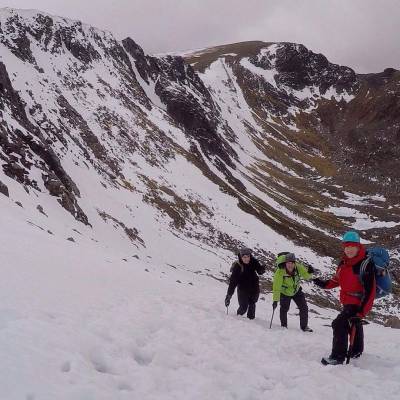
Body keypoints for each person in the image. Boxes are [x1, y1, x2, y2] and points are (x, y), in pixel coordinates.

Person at [313, 231, 376, 365]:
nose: (349, 249)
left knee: (339, 323)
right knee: (354, 324)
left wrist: (361, 312)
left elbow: (370, 291)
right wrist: (324, 284)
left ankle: (337, 357)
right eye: (347, 246)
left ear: (358, 246)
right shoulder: (344, 262)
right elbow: (337, 280)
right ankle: (357, 350)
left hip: (357, 303)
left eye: (352, 246)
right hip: (347, 301)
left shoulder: (365, 264)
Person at [272, 252, 314, 332]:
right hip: (285, 292)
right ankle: (284, 326)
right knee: (284, 309)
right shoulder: (280, 272)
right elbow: (276, 287)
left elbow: (306, 276)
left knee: (304, 307)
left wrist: (310, 272)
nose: (290, 265)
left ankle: (304, 327)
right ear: (285, 263)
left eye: (292, 263)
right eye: (288, 263)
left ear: (294, 263)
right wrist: (275, 300)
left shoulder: (298, 267)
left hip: (296, 290)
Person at [225, 248, 265, 319]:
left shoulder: (253, 261)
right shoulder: (238, 266)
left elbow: (259, 271)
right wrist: (229, 295)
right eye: (244, 257)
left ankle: (251, 321)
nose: (246, 259)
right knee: (243, 307)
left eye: (248, 257)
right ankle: (238, 319)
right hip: (243, 289)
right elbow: (233, 282)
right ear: (241, 257)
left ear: (250, 256)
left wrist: (262, 269)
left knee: (252, 304)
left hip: (254, 287)